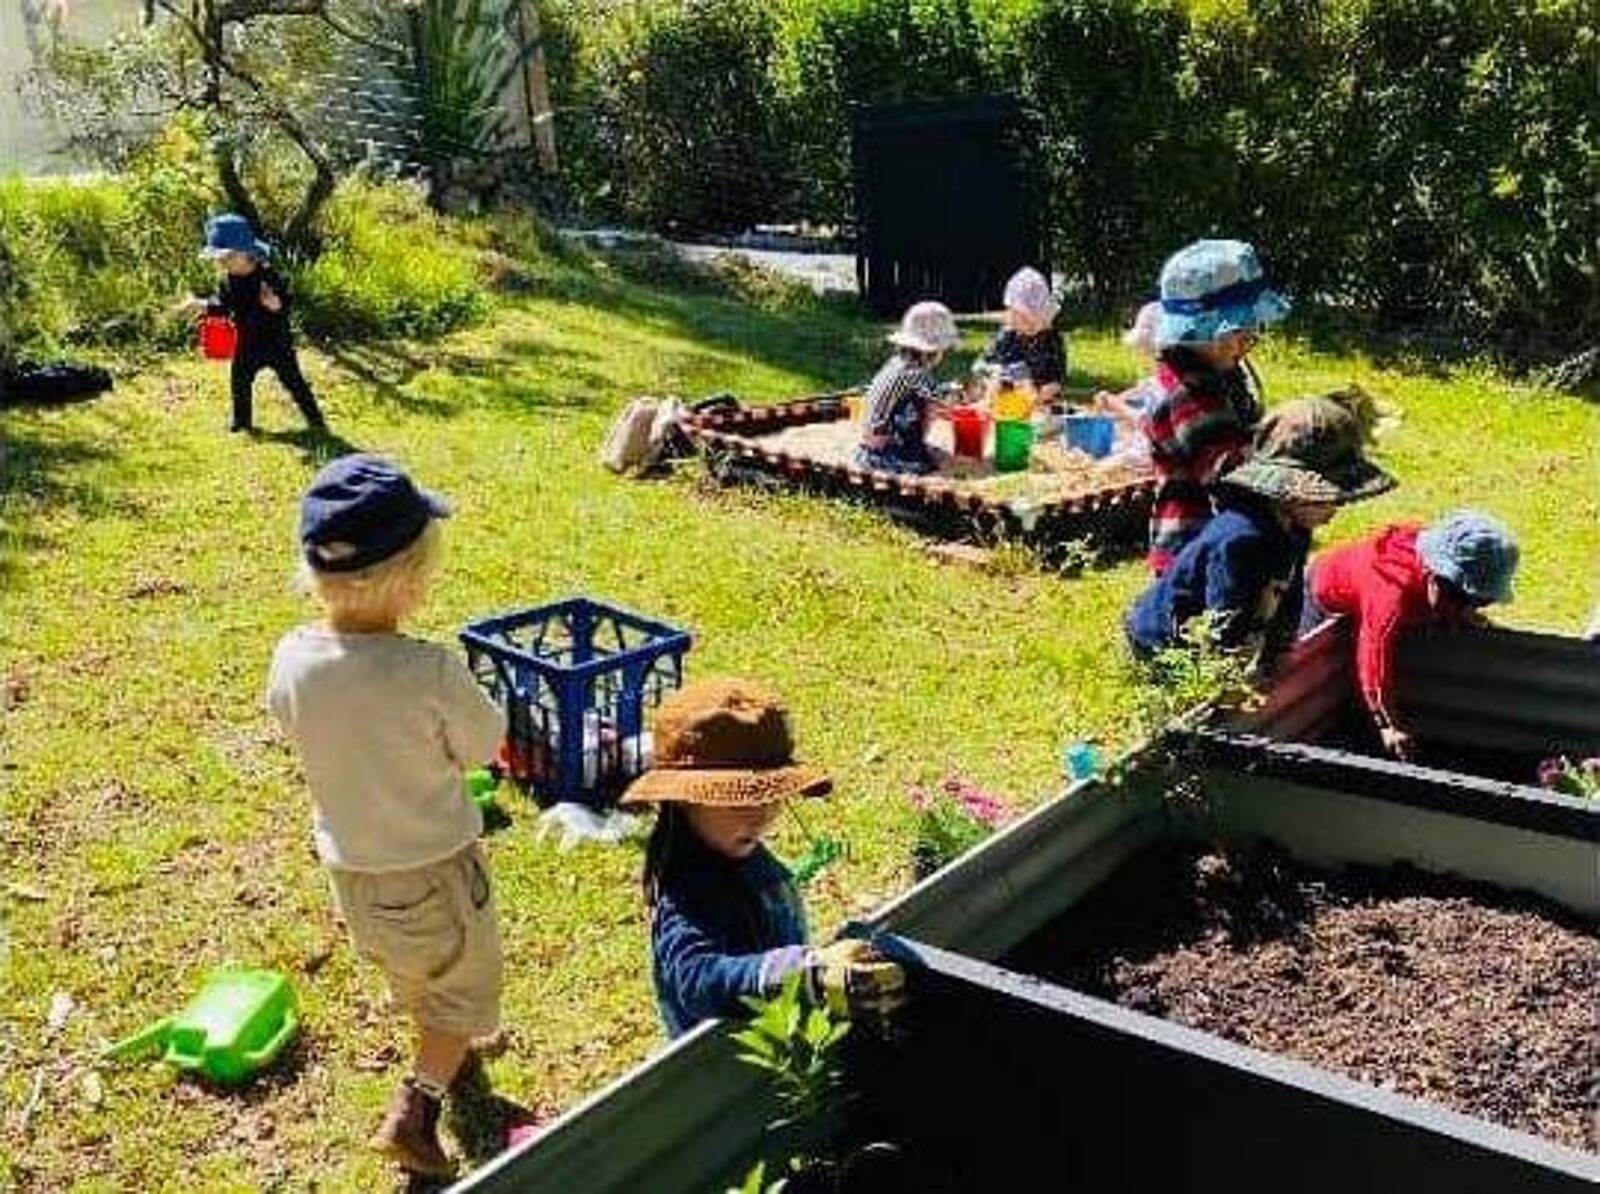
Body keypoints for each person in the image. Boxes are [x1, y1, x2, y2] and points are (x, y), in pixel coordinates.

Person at [265, 454, 504, 1177]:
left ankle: (444, 1034)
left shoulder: (293, 657)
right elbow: (485, 745)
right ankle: (419, 1105)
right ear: (411, 576)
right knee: (465, 984)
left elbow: (287, 720)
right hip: (432, 867)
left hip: (353, 868)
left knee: (413, 969)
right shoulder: (428, 670)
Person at [620, 677, 904, 1038]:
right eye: (739, 800)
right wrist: (805, 975)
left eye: (772, 797)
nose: (761, 816)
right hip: (727, 1070)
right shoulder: (688, 888)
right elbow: (696, 979)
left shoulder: (734, 844)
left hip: (785, 1034)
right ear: (683, 800)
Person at [1126, 397, 1394, 668]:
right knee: (1184, 690)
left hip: (1227, 622)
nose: (1336, 508)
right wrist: (1228, 674)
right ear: (1291, 493)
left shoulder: (1296, 528)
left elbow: (1290, 593)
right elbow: (1224, 617)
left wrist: (1281, 647)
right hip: (1163, 637)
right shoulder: (1240, 539)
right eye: (1327, 499)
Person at [1303, 510, 1519, 760]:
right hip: (1317, 599)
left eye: (1482, 602)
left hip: (1369, 603)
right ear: (1433, 576)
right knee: (1306, 678)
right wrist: (1389, 726)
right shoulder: (1390, 590)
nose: (1468, 609)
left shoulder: (1436, 582)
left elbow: (1445, 602)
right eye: (1461, 600)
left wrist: (1459, 614)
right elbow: (1373, 658)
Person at [1141, 240, 1288, 573]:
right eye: (1237, 332)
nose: (1248, 342)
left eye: (1253, 331)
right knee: (1203, 625)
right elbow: (1230, 472)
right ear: (1195, 331)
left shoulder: (1221, 372)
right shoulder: (1188, 395)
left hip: (1227, 537)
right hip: (1194, 549)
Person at [181, 213, 327, 435]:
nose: (221, 262)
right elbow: (223, 305)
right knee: (239, 381)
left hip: (277, 342)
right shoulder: (227, 281)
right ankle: (242, 422)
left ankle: (316, 420)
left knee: (294, 381)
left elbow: (287, 302)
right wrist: (201, 304)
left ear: (246, 253)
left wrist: (275, 304)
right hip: (247, 342)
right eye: (219, 259)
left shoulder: (268, 276)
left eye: (226, 257)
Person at [856, 301, 960, 476]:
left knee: (937, 450)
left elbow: (928, 389)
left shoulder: (897, 363)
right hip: (884, 451)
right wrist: (959, 399)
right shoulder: (917, 374)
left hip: (868, 445)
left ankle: (909, 449)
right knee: (928, 409)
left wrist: (946, 389)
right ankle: (911, 453)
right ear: (933, 351)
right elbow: (939, 404)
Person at [978, 267, 1067, 405]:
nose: (1031, 325)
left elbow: (1057, 378)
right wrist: (997, 379)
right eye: (1025, 318)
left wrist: (1047, 391)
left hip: (1040, 405)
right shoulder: (1007, 337)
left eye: (1036, 319)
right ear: (1012, 313)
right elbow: (981, 368)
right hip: (1005, 402)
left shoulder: (1052, 338)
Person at [1094, 300, 1162, 426]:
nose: (1142, 353)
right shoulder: (1166, 374)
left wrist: (1115, 404)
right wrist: (1118, 398)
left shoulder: (1174, 381)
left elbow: (1148, 424)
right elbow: (1148, 387)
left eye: (1145, 348)